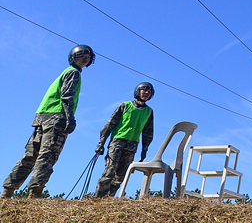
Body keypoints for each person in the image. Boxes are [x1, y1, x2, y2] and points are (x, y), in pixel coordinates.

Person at [1, 45, 94, 199]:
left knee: (30, 155)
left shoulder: (63, 73)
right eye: (81, 55)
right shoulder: (74, 73)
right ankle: (35, 193)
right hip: (57, 118)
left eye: (88, 56)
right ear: (73, 57)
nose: (86, 58)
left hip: (42, 117)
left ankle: (7, 191)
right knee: (48, 155)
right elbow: (67, 96)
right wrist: (70, 117)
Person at [94, 82, 155, 198]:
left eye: (149, 91)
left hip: (132, 146)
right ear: (137, 91)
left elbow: (148, 134)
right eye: (144, 90)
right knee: (109, 171)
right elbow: (109, 125)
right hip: (117, 142)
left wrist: (144, 150)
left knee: (120, 176)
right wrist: (101, 144)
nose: (146, 92)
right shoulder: (125, 106)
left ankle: (108, 199)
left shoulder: (149, 112)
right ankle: (98, 199)